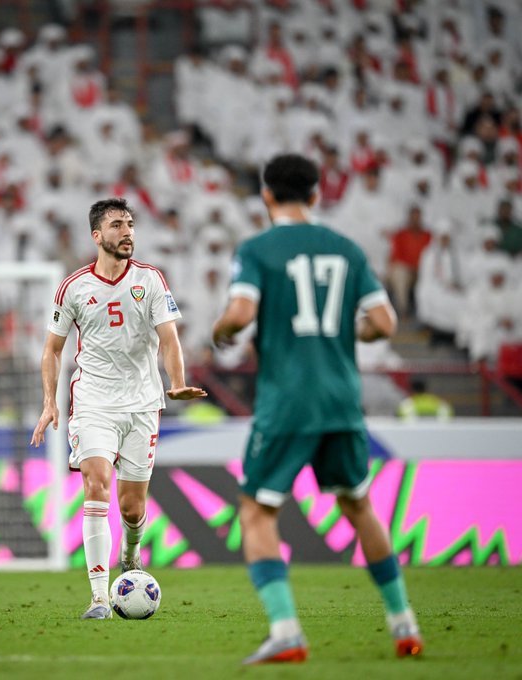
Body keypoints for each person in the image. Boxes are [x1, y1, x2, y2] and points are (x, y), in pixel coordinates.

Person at [212, 154, 423, 665]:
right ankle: (404, 624)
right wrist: (346, 332)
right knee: (359, 505)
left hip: (288, 401)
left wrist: (221, 331)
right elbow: (385, 323)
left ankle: (286, 631)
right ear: (315, 195)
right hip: (342, 399)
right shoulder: (347, 249)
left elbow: (241, 312)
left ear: (266, 196)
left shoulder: (257, 249)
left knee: (257, 511)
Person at [30, 197, 206, 620]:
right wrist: (49, 402)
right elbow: (52, 350)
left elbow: (169, 338)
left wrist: (176, 382)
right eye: (116, 225)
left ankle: (131, 552)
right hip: (93, 401)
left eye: (130, 224)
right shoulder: (73, 287)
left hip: (143, 403)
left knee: (131, 508)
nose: (127, 232)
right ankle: (98, 598)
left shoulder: (150, 279)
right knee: (95, 484)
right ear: (97, 235)